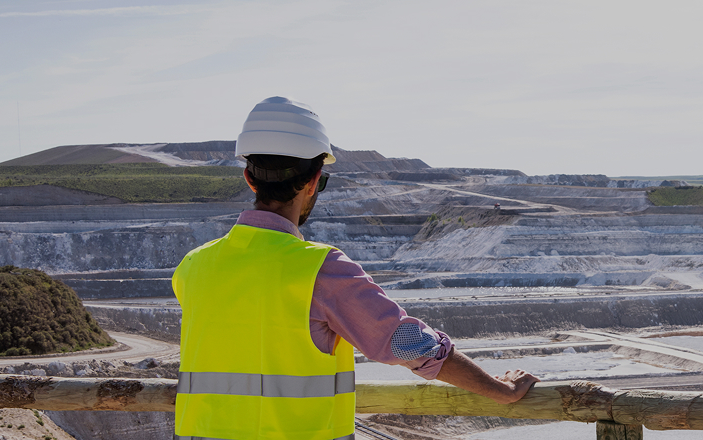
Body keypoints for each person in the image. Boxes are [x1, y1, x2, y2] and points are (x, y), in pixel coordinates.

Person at [173, 96, 538, 440]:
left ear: (249, 178)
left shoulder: (192, 267)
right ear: (314, 181)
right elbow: (407, 344)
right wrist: (501, 390)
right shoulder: (321, 270)